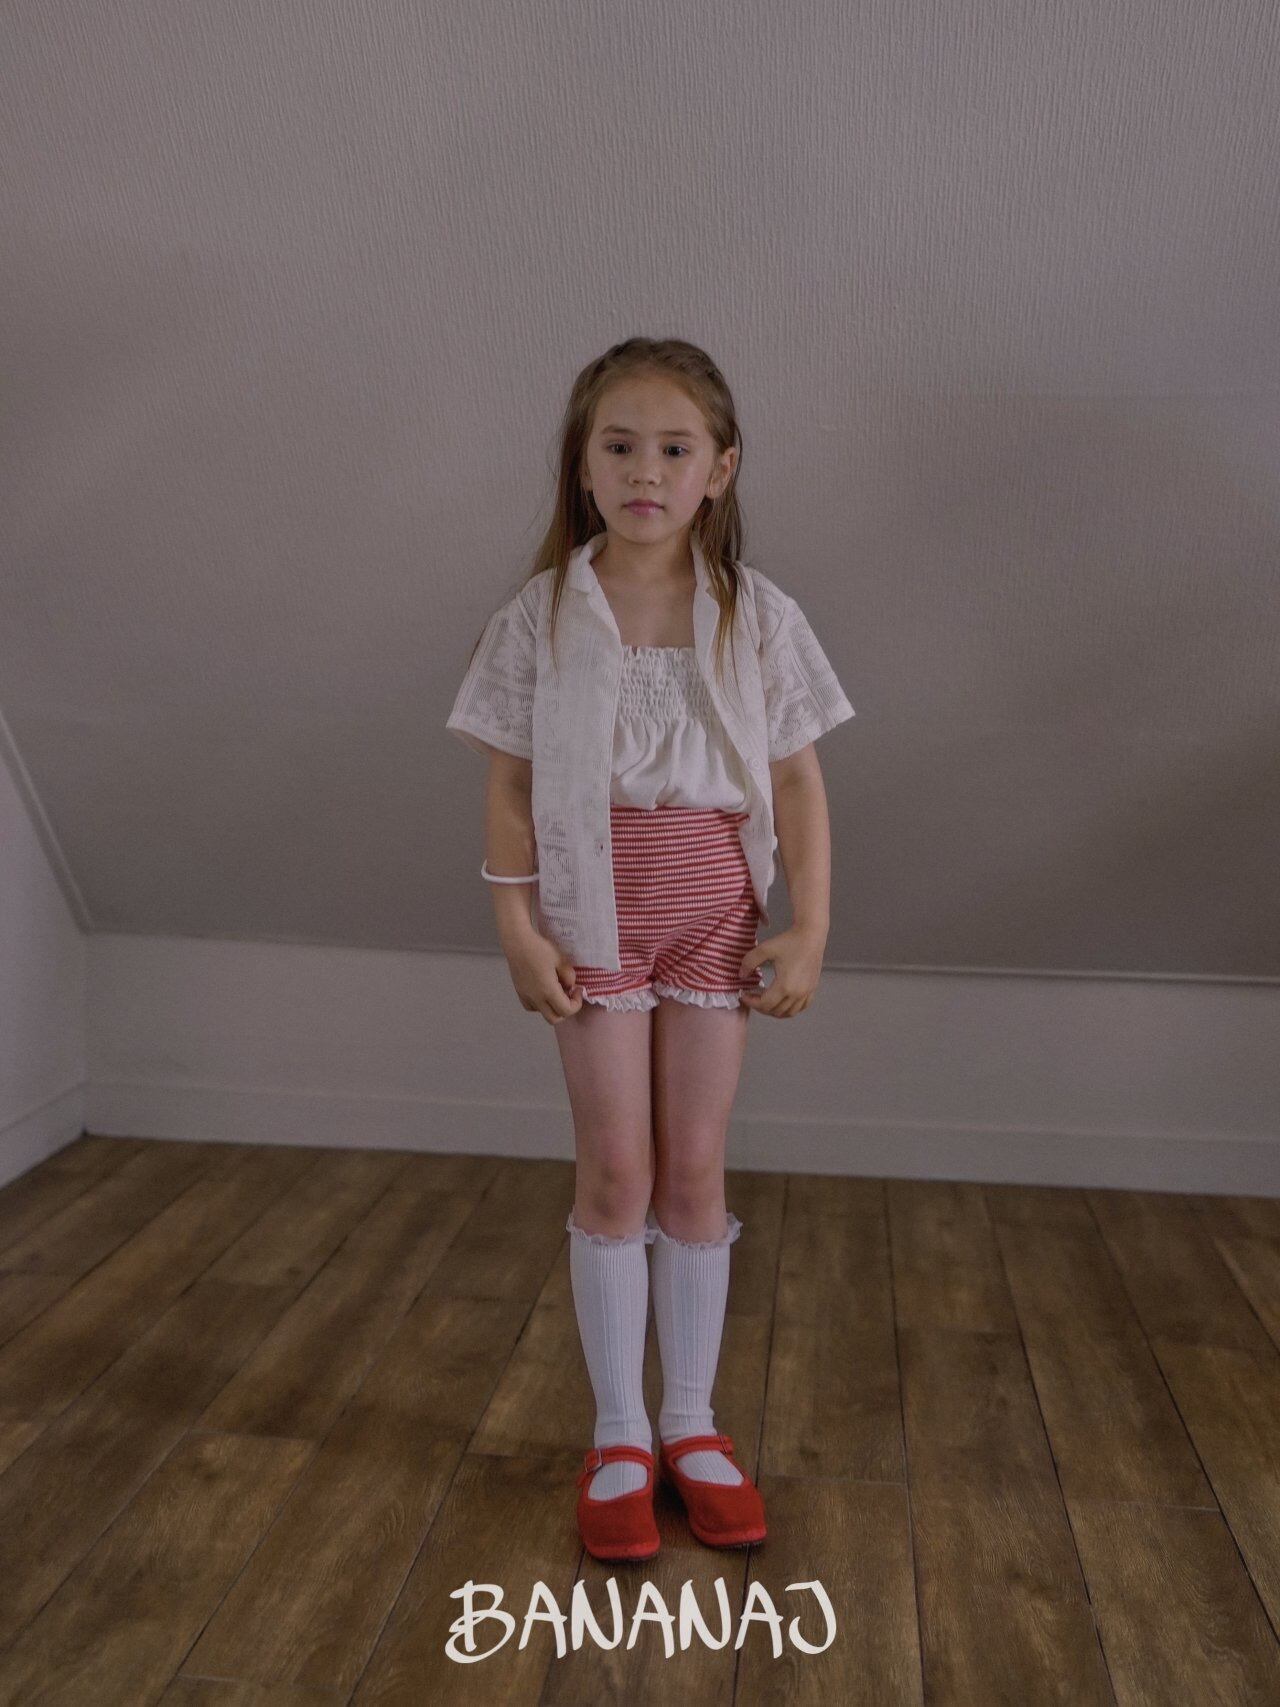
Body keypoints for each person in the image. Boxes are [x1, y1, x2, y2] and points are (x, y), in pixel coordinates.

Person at [446, 337, 855, 1562]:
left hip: (713, 918)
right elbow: (509, 786)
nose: (644, 471)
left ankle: (691, 1423)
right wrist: (517, 928)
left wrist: (808, 927)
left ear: (718, 469)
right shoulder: (539, 617)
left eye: (674, 449)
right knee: (617, 1172)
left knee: (695, 1174)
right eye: (618, 446)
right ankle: (618, 1433)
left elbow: (797, 781)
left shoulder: (756, 615)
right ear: (580, 466)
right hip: (592, 922)